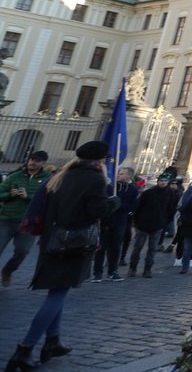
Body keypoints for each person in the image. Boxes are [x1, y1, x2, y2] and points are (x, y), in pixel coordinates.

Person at [7, 141, 118, 372]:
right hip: (72, 243)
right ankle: (24, 349)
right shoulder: (95, 179)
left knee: (58, 290)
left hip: (52, 240)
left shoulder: (60, 175)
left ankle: (52, 341)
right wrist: (114, 203)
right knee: (56, 295)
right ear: (100, 160)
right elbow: (97, 211)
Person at [0, 150, 51, 287]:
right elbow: (0, 193)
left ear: (43, 163)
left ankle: (8, 271)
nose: (32, 162)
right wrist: (10, 194)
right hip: (6, 218)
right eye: (31, 159)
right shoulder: (15, 176)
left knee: (23, 251)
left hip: (29, 222)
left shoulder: (48, 178)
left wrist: (28, 196)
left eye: (36, 160)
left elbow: (48, 199)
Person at [92, 167, 137, 282]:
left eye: (122, 174)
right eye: (118, 173)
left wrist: (119, 205)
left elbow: (133, 207)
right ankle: (97, 273)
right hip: (106, 220)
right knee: (101, 247)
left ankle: (112, 272)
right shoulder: (110, 187)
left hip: (120, 222)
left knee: (116, 248)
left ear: (129, 176)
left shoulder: (133, 190)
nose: (118, 175)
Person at [128, 172, 173, 278]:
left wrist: (165, 221)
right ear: (158, 181)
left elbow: (171, 209)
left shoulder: (170, 194)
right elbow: (138, 207)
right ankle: (132, 267)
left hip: (158, 225)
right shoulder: (148, 192)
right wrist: (136, 221)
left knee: (152, 249)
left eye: (165, 181)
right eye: (161, 181)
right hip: (143, 224)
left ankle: (147, 269)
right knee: (138, 247)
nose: (163, 183)